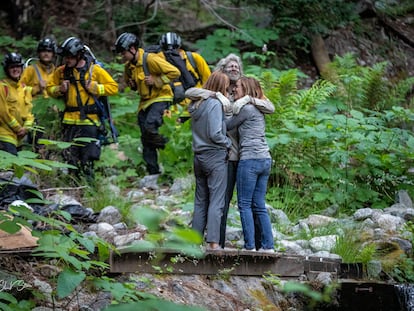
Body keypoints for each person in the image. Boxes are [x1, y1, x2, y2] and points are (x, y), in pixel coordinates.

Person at [215, 53, 275, 249]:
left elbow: (227, 124)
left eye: (236, 66)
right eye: (229, 67)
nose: (234, 70)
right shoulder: (224, 91)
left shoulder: (247, 104)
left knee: (245, 204)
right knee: (257, 204)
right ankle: (267, 246)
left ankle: (251, 246)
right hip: (260, 158)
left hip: (248, 159)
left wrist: (243, 101)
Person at [47, 37, 119, 181]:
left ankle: (89, 186)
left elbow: (114, 87)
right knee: (70, 156)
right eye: (65, 57)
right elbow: (49, 88)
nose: (67, 60)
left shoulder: (94, 70)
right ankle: (73, 185)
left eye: (70, 57)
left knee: (88, 157)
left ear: (79, 55)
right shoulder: (61, 71)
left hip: (89, 121)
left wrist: (96, 88)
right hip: (68, 121)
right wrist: (59, 89)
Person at [114, 32, 180, 189]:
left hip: (160, 97)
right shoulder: (128, 67)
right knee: (145, 137)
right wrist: (132, 84)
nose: (122, 56)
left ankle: (169, 149)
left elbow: (174, 72)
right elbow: (131, 85)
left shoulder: (150, 59)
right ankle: (153, 172)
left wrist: (157, 80)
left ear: (132, 48)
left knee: (151, 126)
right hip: (144, 102)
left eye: (124, 52)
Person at [186, 71, 232, 250]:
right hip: (215, 156)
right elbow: (215, 133)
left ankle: (194, 240)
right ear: (221, 88)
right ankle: (213, 242)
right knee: (217, 200)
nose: (228, 92)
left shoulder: (196, 104)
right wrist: (227, 142)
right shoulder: (214, 104)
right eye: (226, 88)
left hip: (198, 156)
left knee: (200, 200)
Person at [159, 32, 211, 122]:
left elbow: (210, 83)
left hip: (183, 111)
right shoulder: (194, 58)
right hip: (191, 110)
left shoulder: (193, 58)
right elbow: (210, 82)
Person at [20, 37, 57, 153]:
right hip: (34, 110)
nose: (46, 54)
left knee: (51, 139)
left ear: (53, 54)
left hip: (51, 111)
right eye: (43, 51)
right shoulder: (31, 70)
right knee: (37, 140)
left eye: (49, 51)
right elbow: (19, 88)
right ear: (39, 53)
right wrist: (36, 89)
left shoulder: (56, 71)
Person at [0, 52, 34, 155]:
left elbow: (30, 111)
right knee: (9, 169)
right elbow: (2, 112)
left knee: (18, 168)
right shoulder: (2, 87)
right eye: (12, 67)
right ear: (7, 69)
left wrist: (26, 128)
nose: (15, 70)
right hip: (5, 135)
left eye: (18, 66)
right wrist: (18, 128)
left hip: (20, 137)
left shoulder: (24, 88)